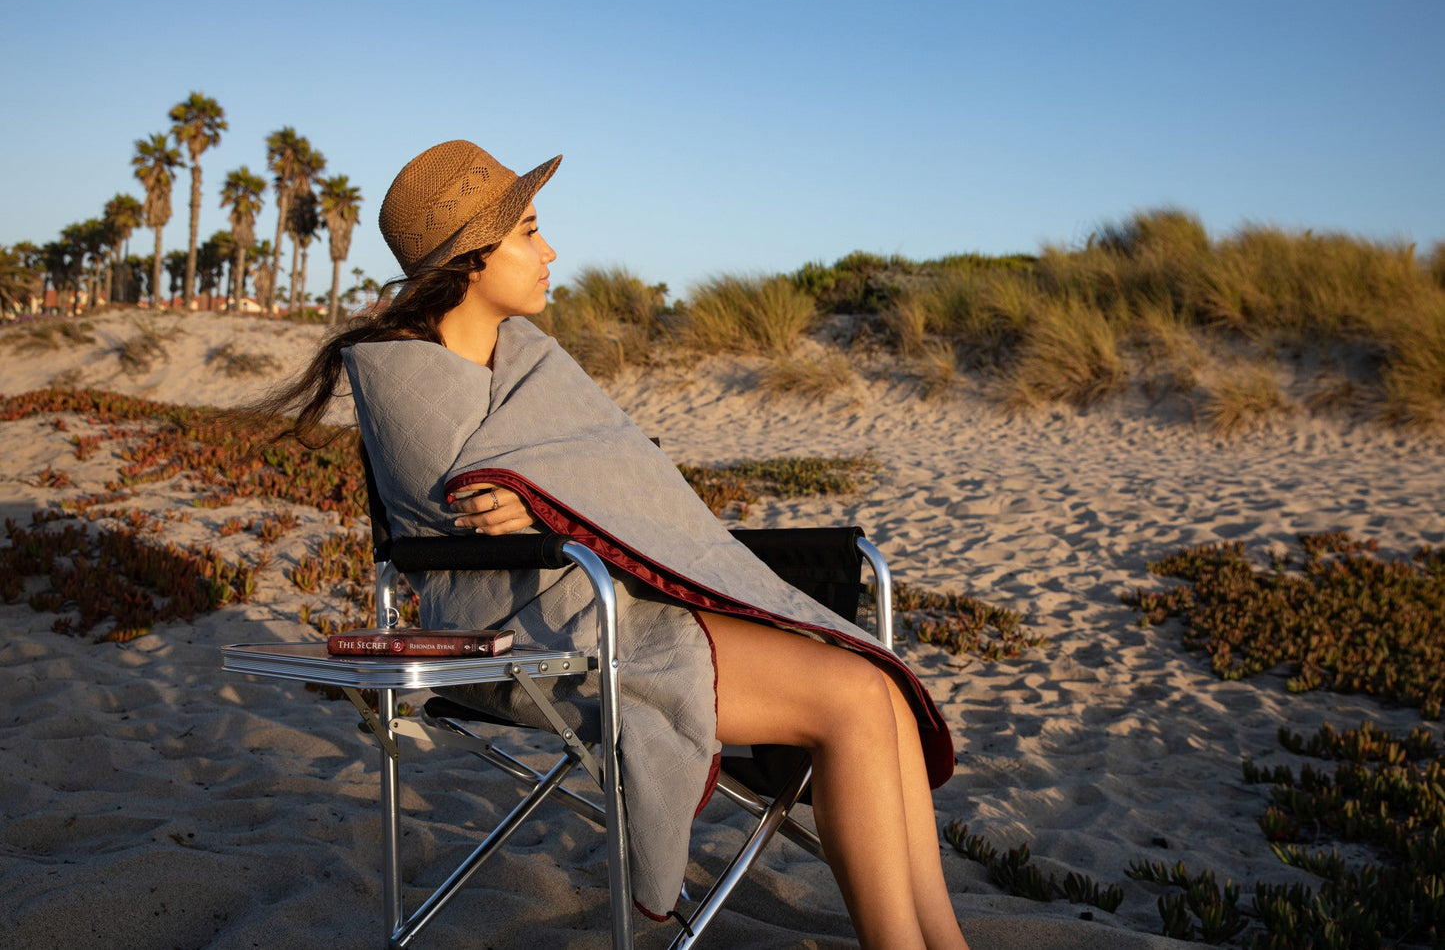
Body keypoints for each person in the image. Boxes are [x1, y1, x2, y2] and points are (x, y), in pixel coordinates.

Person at [263, 140, 969, 950]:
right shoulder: (403, 379)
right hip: (538, 634)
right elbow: (465, 512)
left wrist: (541, 505)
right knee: (848, 700)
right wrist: (539, 511)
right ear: (469, 259)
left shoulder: (532, 362)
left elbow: (599, 476)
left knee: (872, 686)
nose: (549, 249)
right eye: (528, 231)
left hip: (618, 603)